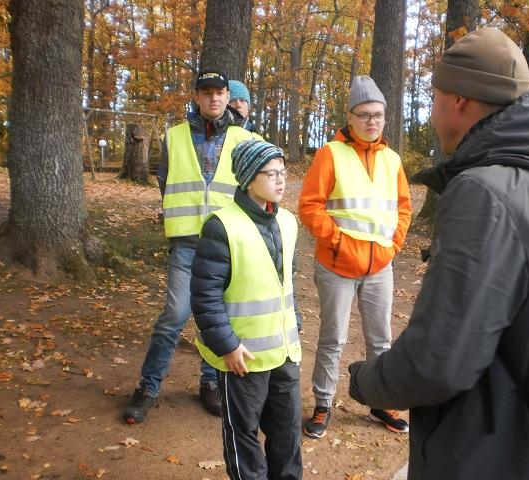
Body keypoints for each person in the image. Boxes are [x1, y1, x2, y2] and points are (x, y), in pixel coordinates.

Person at [348, 28, 529, 480]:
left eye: (435, 98)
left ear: (460, 100)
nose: (432, 113)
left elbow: (436, 364)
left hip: (486, 451)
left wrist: (365, 380)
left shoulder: (485, 193)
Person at [123, 69, 259, 424]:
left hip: (225, 245)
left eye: (220, 92)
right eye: (207, 92)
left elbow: (251, 190)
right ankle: (148, 387)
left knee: (216, 318)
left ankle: (210, 383)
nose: (214, 98)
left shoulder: (245, 138)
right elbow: (166, 181)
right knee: (173, 316)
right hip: (185, 245)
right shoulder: (175, 136)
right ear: (196, 97)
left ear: (228, 97)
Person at [299, 75, 412, 438]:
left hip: (380, 266)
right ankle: (323, 404)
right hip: (336, 265)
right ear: (350, 117)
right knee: (333, 338)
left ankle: (381, 402)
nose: (371, 121)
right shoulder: (330, 154)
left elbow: (403, 208)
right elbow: (310, 206)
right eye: (364, 114)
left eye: (377, 114)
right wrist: (337, 243)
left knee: (381, 339)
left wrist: (393, 246)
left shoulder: (392, 159)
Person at [191, 139, 303, 480]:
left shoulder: (288, 221)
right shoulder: (221, 226)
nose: (280, 180)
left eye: (283, 173)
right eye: (270, 174)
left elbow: (285, 283)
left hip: (284, 353)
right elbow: (205, 295)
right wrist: (227, 345)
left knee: (287, 434)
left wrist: (295, 323)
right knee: (244, 437)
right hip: (243, 357)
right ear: (249, 178)